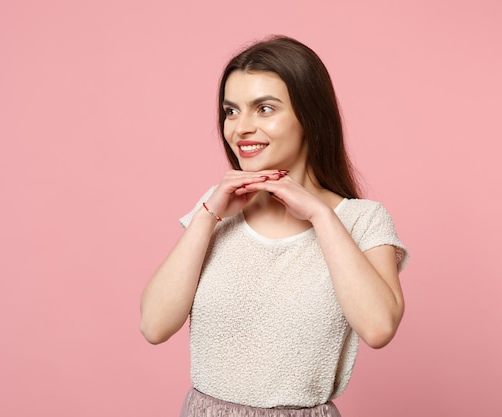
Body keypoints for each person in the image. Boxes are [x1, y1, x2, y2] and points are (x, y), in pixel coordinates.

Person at [139, 35, 409, 417]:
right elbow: (153, 326)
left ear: (310, 117)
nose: (240, 128)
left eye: (264, 109)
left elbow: (379, 327)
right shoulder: (215, 213)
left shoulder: (362, 219)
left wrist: (320, 215)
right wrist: (205, 216)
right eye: (231, 111)